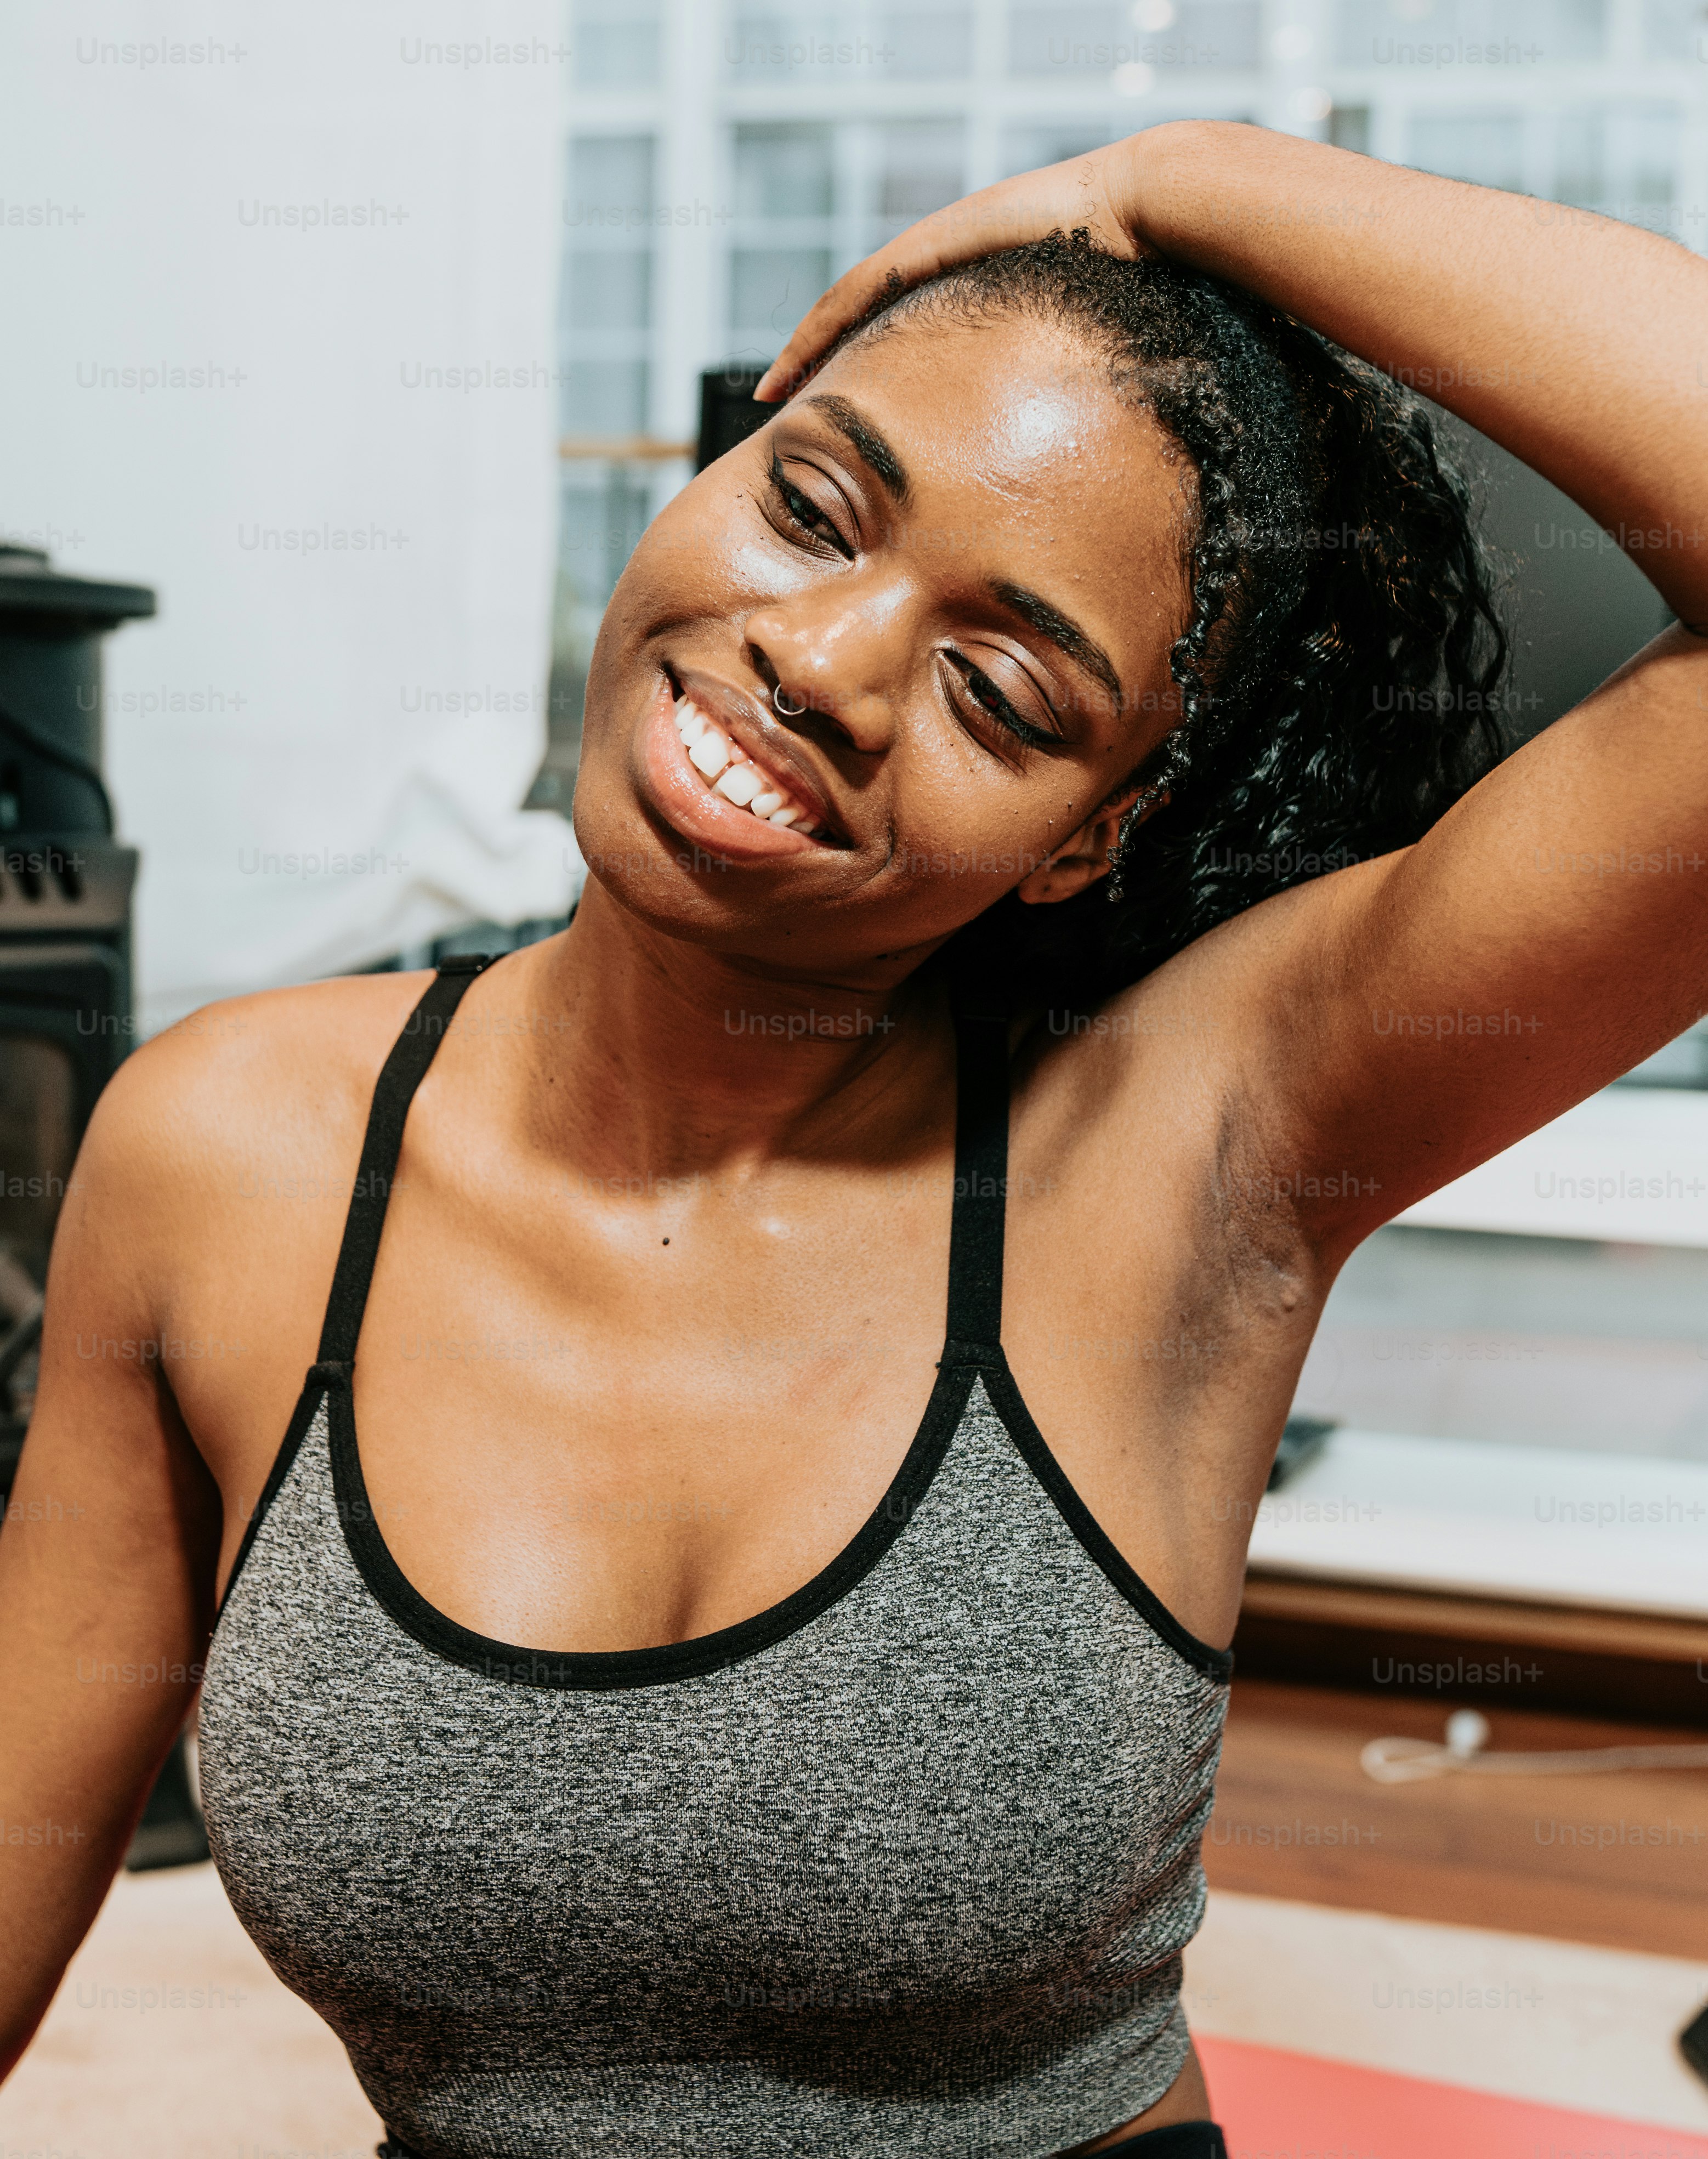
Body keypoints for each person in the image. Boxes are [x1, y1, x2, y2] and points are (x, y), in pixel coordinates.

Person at [2, 118, 1705, 2159]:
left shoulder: (1188, 1143)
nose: (820, 660)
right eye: (813, 504)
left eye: (997, 684)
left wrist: (1187, 176)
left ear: (1086, 832)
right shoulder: (222, 1143)